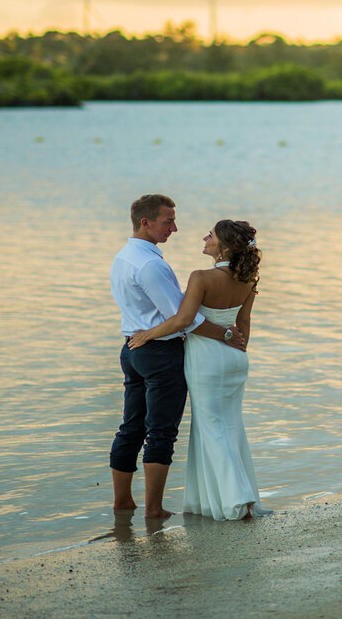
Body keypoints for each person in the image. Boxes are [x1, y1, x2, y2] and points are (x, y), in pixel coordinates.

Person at [109, 195, 244, 518]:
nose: (175, 227)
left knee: (131, 427)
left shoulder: (124, 256)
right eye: (168, 221)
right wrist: (226, 334)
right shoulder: (152, 265)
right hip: (160, 353)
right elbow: (186, 318)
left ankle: (123, 502)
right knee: (161, 431)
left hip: (131, 348)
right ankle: (153, 508)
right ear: (146, 222)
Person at [129, 219, 262, 520]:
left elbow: (183, 320)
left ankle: (237, 499)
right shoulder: (249, 277)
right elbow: (243, 323)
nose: (205, 238)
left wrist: (146, 334)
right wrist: (239, 352)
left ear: (224, 247)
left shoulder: (201, 277)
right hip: (235, 358)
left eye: (211, 236)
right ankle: (229, 497)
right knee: (229, 426)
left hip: (207, 360)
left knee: (213, 427)